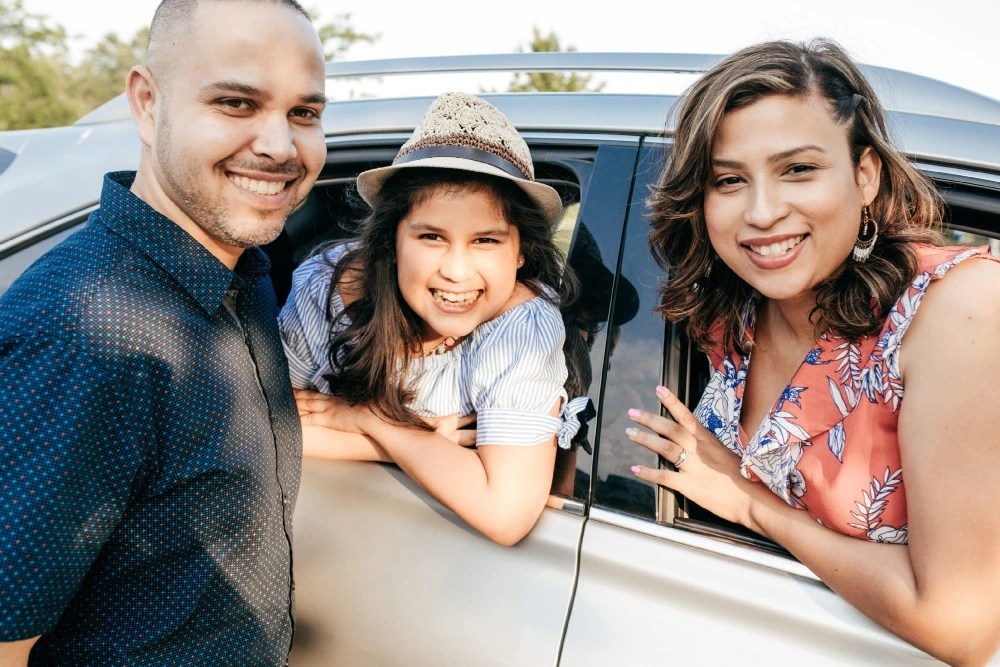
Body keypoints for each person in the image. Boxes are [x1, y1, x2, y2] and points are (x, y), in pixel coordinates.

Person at [630, 39, 1000, 664]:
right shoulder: (724, 315)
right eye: (728, 180)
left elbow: (960, 627)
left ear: (865, 175)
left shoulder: (958, 311)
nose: (764, 211)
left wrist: (754, 505)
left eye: (797, 169)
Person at [0, 0, 326, 664]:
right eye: (237, 103)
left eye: (305, 113)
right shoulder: (86, 330)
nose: (280, 145)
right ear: (147, 103)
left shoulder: (246, 273)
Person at [279, 91, 588, 547]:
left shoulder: (521, 329)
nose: (457, 272)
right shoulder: (329, 284)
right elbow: (259, 427)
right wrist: (425, 440)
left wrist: (372, 418)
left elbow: (505, 513)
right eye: (431, 237)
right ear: (392, 240)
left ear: (521, 251)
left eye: (486, 241)